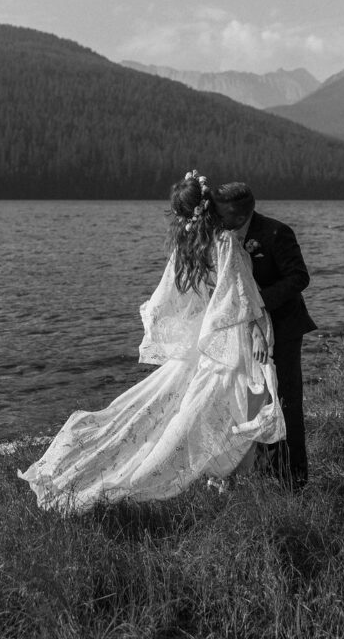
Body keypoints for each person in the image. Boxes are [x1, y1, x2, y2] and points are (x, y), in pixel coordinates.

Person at [18, 171, 285, 509]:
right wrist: (258, 333)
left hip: (208, 344)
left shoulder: (187, 245)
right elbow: (238, 295)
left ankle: (223, 486)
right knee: (239, 410)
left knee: (211, 410)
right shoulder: (223, 242)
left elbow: (182, 298)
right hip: (232, 341)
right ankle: (218, 484)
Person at [212, 182, 315, 488]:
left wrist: (256, 303)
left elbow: (300, 277)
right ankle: (264, 473)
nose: (216, 216)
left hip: (282, 331)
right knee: (252, 402)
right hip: (242, 336)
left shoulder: (276, 233)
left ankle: (295, 481)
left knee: (285, 403)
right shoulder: (223, 237)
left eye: (221, 211)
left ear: (238, 212)